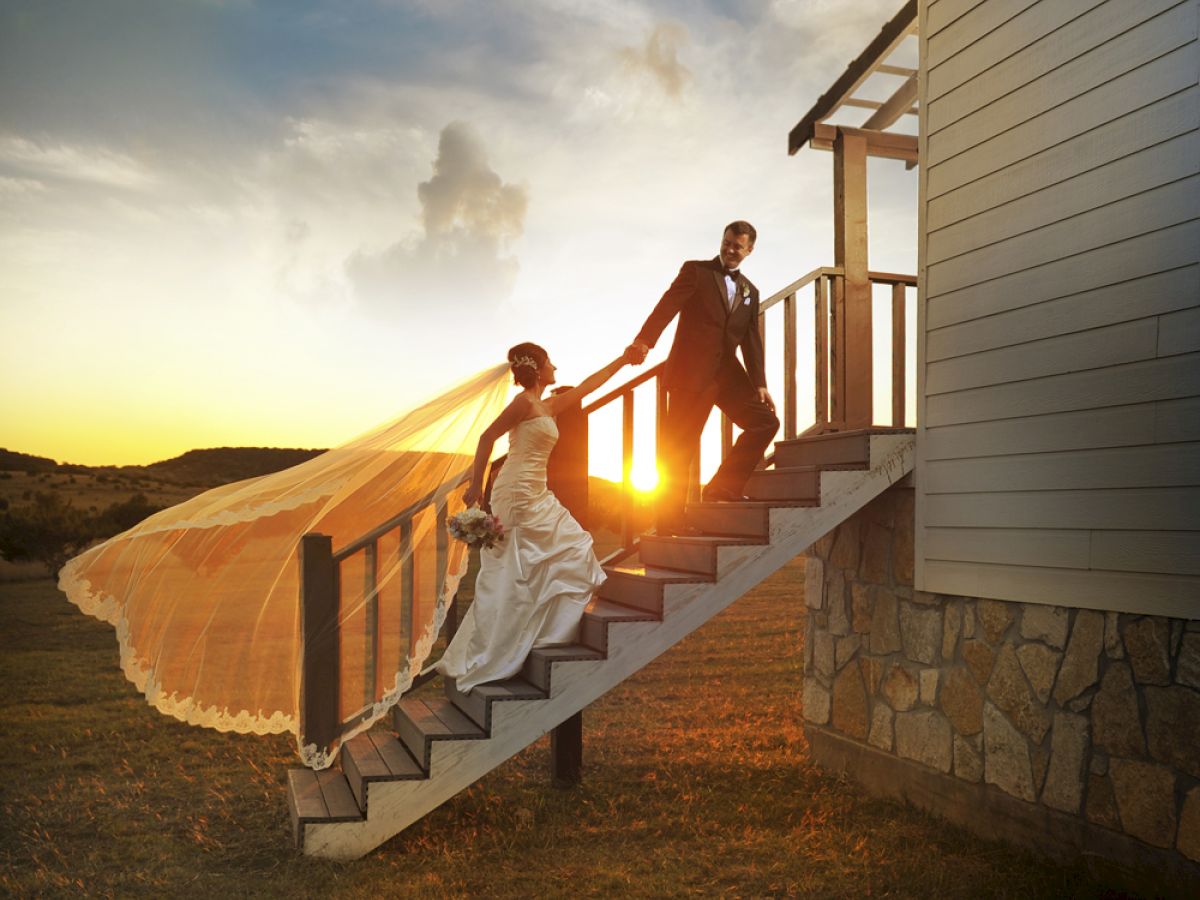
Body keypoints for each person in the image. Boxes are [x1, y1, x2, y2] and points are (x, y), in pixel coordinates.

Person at [436, 341, 641, 692]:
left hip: (536, 490)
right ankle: (504, 645)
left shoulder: (548, 406)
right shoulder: (523, 403)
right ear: (538, 368)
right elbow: (487, 437)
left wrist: (624, 359)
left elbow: (592, 384)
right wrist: (476, 487)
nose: (556, 370)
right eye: (551, 364)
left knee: (569, 546)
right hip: (515, 492)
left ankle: (535, 634)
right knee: (516, 565)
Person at [628, 221, 780, 536]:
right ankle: (670, 521)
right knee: (678, 447)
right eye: (726, 242)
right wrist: (644, 341)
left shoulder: (751, 291)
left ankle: (723, 488)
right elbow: (667, 306)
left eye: (737, 245)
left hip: (727, 374)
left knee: (765, 422)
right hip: (691, 373)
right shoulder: (696, 271)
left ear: (749, 250)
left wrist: (760, 384)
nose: (729, 249)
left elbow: (751, 341)